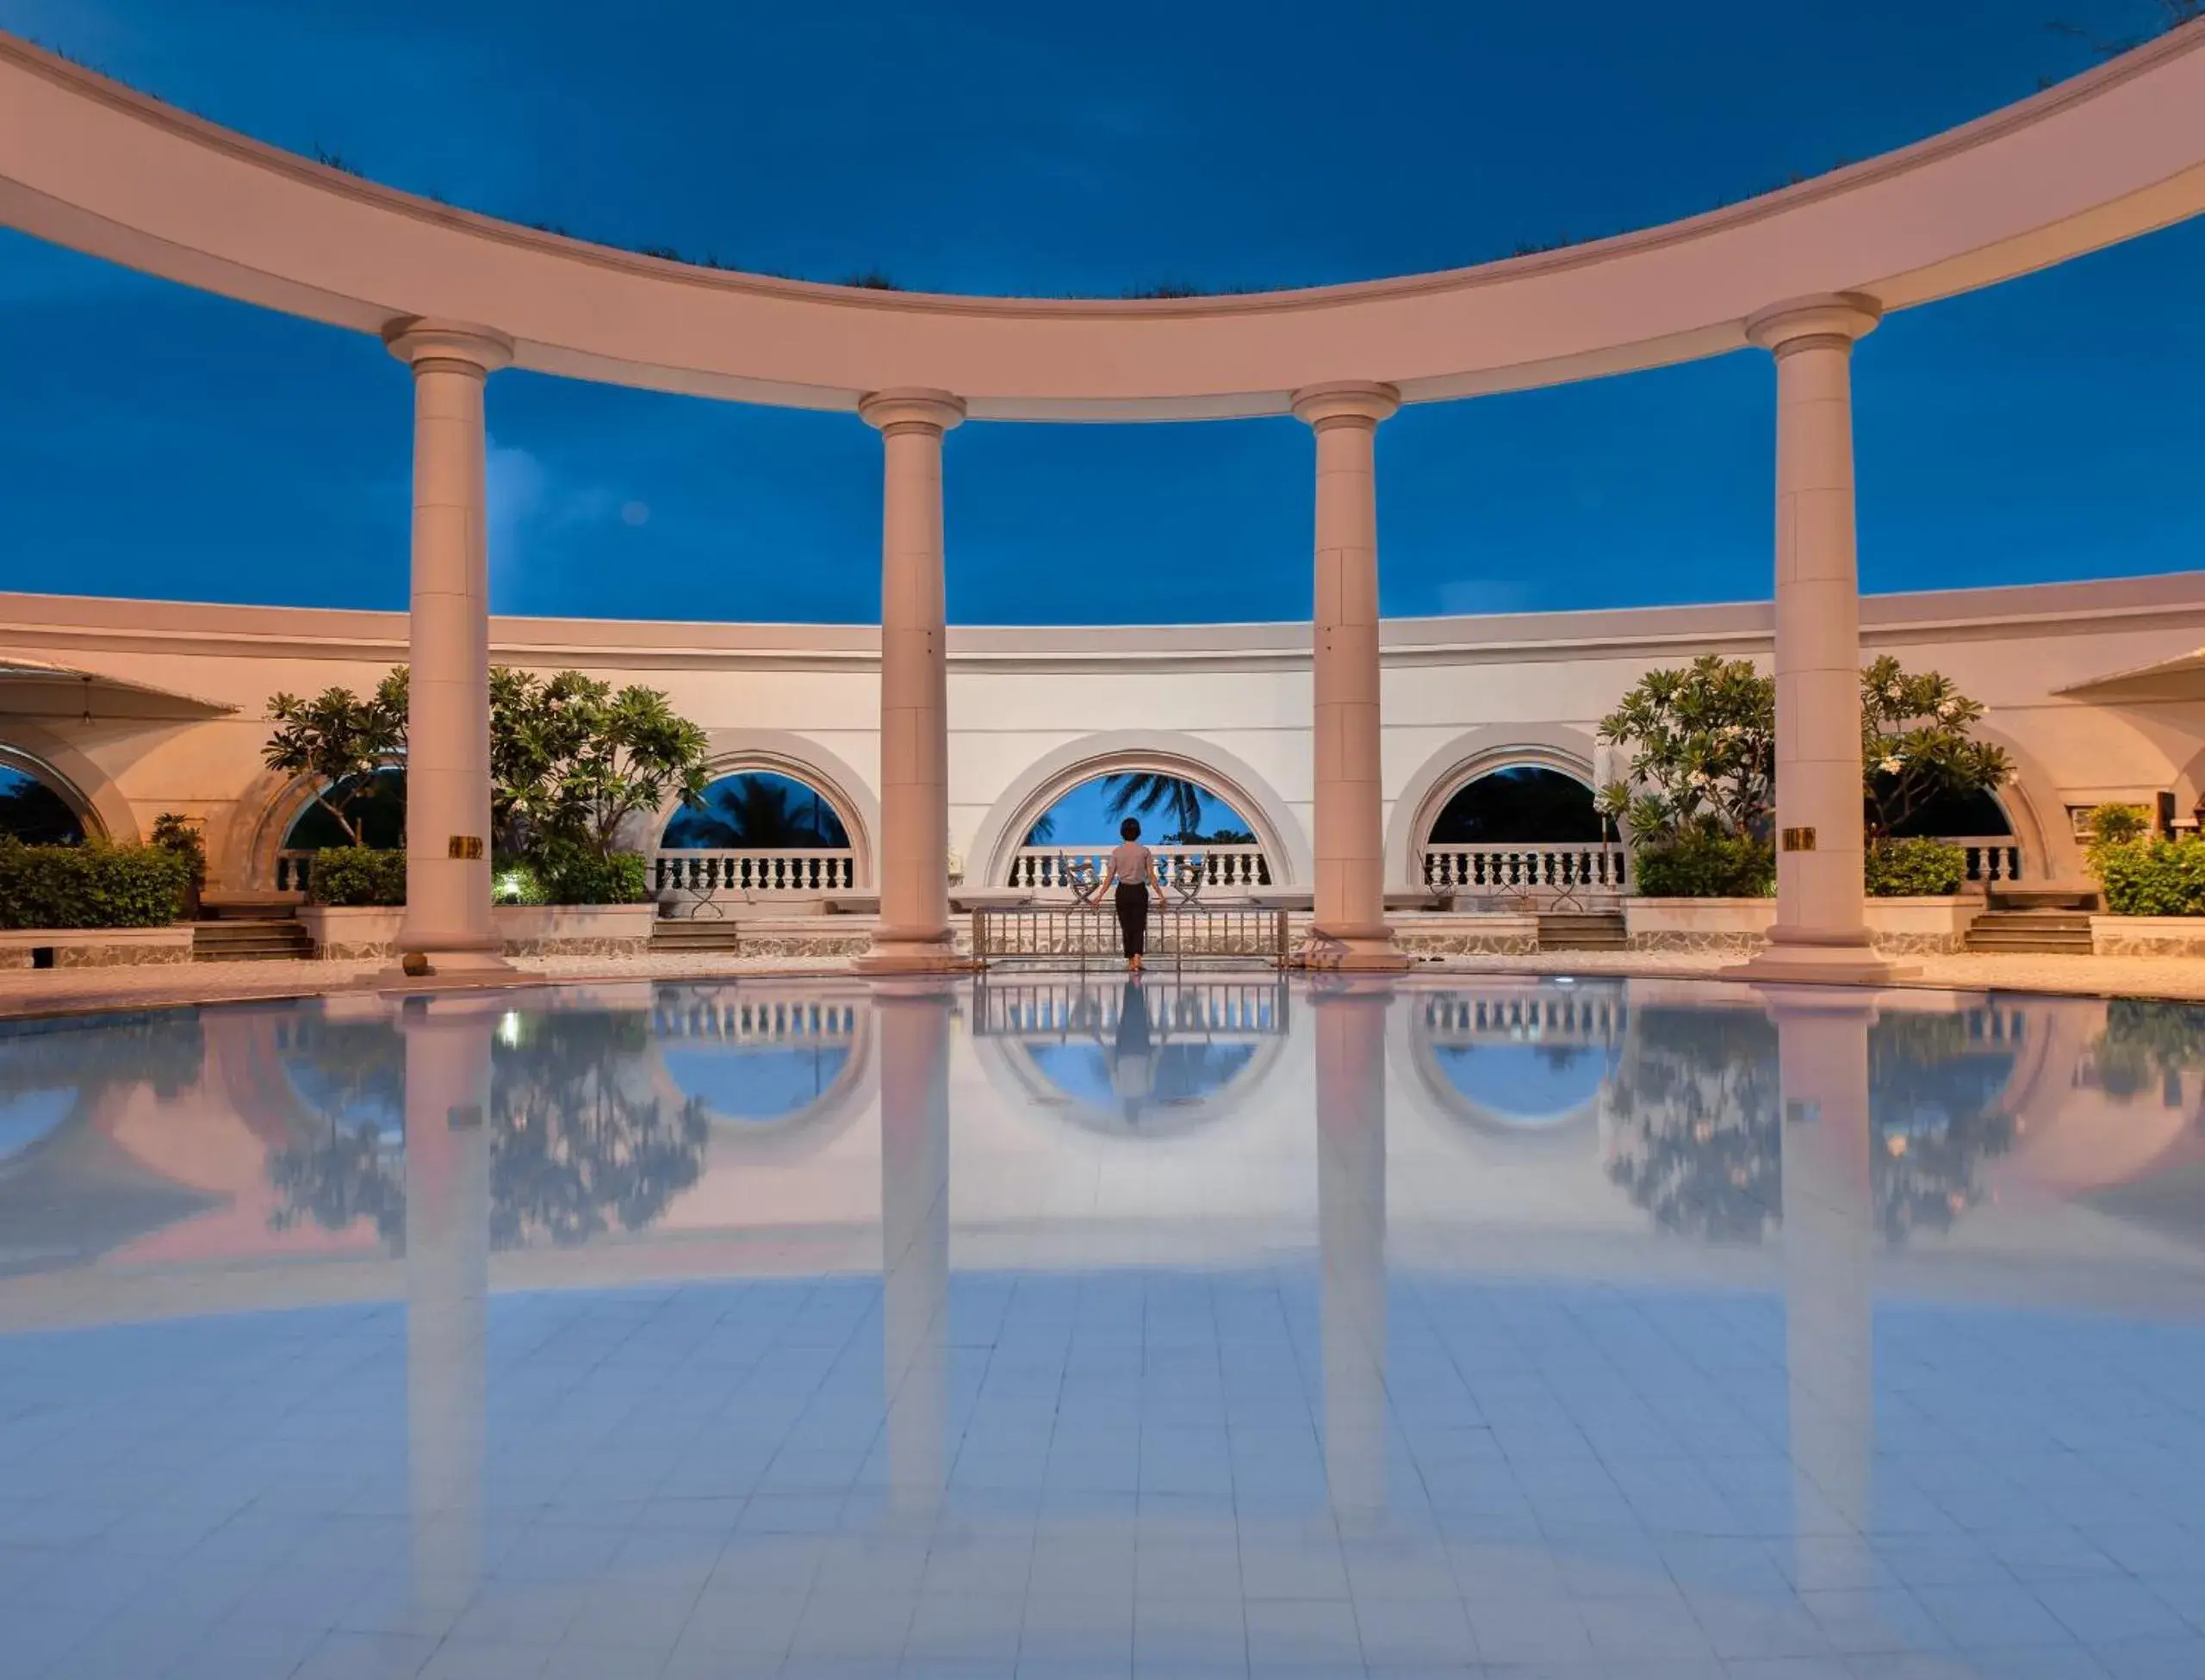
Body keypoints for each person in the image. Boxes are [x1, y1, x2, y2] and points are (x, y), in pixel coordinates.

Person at [1096, 815, 1165, 972]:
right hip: (1139, 891)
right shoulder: (1144, 851)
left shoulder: (1117, 853)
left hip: (1123, 892)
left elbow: (1109, 877)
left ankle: (1130, 962)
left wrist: (1099, 896)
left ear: (1122, 833)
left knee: (1126, 927)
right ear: (1138, 833)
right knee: (1139, 926)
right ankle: (1138, 961)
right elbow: (1152, 876)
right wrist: (1161, 895)